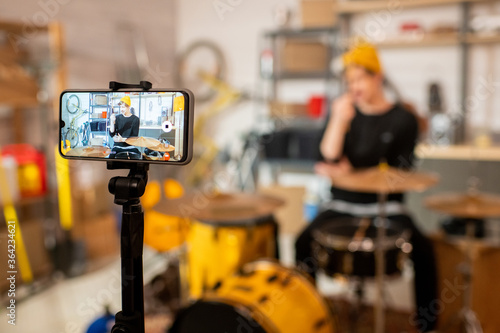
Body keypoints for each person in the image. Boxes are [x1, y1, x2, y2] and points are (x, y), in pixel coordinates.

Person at [294, 41, 438, 333]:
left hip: (387, 206)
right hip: (340, 204)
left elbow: (401, 172)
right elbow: (327, 158)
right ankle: (309, 316)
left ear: (377, 78)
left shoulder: (403, 119)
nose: (354, 87)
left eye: (360, 79)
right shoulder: (343, 111)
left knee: (424, 251)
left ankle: (427, 326)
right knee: (301, 242)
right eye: (349, 82)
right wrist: (337, 120)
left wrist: (350, 174)